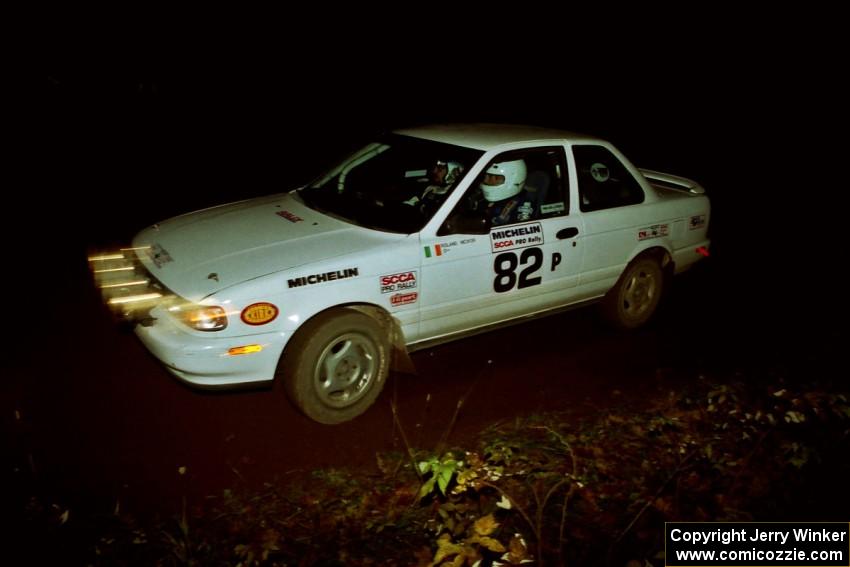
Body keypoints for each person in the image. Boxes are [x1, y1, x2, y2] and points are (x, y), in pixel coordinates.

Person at [478, 158, 539, 226]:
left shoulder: (524, 206)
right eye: (487, 177)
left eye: (496, 178)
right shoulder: (482, 200)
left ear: (513, 180)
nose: (487, 182)